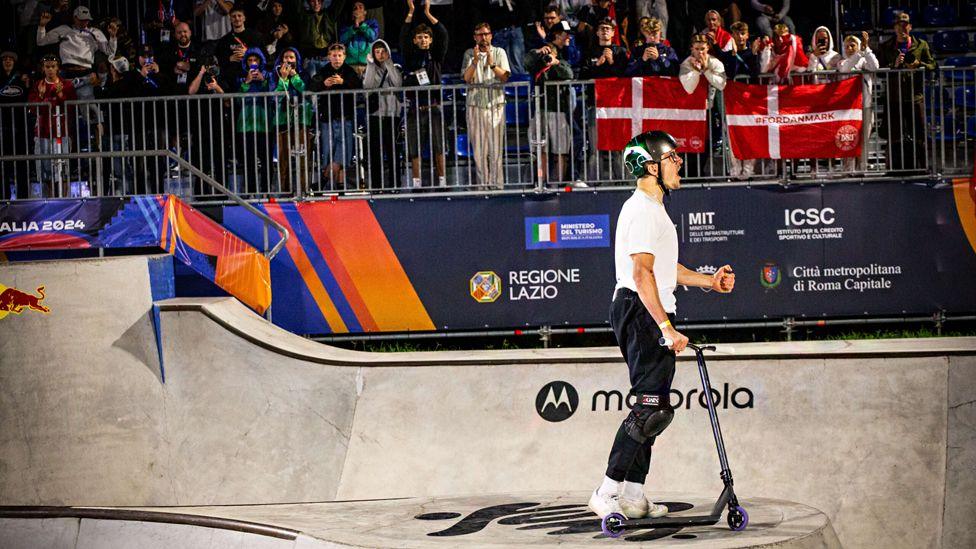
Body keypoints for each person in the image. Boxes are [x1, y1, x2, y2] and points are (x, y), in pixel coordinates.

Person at [588, 129, 735, 521]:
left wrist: (708, 280)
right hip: (640, 310)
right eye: (673, 158)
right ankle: (607, 491)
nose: (679, 163)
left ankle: (634, 495)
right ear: (651, 166)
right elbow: (642, 275)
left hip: (647, 308)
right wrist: (666, 327)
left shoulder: (655, 211)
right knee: (647, 407)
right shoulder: (640, 209)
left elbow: (666, 270)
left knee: (656, 408)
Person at [401, 0, 449, 188]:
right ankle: (416, 181)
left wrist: (428, 13)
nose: (423, 40)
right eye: (419, 37)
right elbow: (403, 35)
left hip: (434, 107)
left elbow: (443, 34)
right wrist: (411, 12)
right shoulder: (410, 56)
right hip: (415, 108)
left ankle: (443, 180)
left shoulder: (436, 55)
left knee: (439, 146)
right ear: (415, 40)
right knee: (415, 147)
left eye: (426, 37)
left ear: (430, 40)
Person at [462, 22, 511, 190]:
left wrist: (491, 64)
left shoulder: (499, 52)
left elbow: (505, 77)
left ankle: (497, 185)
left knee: (495, 149)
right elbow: (467, 78)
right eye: (479, 34)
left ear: (491, 35)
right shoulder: (469, 53)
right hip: (475, 106)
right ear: (475, 37)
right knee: (479, 150)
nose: (483, 38)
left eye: (486, 34)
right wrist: (475, 62)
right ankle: (483, 186)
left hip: (495, 105)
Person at [525, 25, 573, 183]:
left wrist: (555, 62)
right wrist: (539, 52)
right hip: (540, 110)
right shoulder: (539, 58)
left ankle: (558, 184)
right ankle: (541, 183)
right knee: (541, 151)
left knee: (561, 150)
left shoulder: (563, 58)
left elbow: (569, 74)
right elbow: (527, 62)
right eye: (566, 35)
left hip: (559, 109)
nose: (549, 56)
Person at [313, 42, 361, 188]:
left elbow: (358, 87)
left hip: (345, 118)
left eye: (340, 56)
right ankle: (335, 185)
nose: (337, 59)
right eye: (334, 56)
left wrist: (343, 82)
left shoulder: (350, 71)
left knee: (342, 153)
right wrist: (323, 84)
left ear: (344, 57)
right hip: (327, 119)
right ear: (329, 57)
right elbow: (311, 86)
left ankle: (322, 181)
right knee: (328, 152)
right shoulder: (323, 71)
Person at [29, 54, 77, 197]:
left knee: (63, 169)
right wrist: (41, 97)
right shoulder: (37, 85)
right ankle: (49, 201)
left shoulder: (67, 85)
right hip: (42, 133)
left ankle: (64, 201)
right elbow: (32, 109)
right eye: (47, 67)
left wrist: (61, 95)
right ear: (43, 69)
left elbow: (72, 107)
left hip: (62, 133)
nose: (50, 69)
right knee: (45, 170)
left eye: (53, 67)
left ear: (58, 68)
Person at [270, 46, 312, 194]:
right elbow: (275, 95)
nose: (288, 60)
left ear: (297, 60)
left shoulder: (304, 74)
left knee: (303, 158)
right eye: (286, 57)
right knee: (283, 159)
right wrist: (284, 79)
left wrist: (294, 77)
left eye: (291, 58)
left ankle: (303, 190)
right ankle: (285, 191)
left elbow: (306, 91)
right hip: (282, 120)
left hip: (301, 119)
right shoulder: (275, 75)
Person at [362, 39, 402, 190]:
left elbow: (397, 84)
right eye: (377, 52)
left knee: (393, 152)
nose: (380, 54)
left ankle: (395, 185)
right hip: (375, 115)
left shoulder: (394, 66)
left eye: (383, 51)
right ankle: (377, 186)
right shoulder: (369, 68)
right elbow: (368, 87)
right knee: (375, 154)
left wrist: (388, 62)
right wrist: (371, 65)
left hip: (392, 115)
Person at [838, 31, 878, 173]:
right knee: (848, 137)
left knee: (864, 138)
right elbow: (845, 69)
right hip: (848, 108)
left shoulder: (864, 60)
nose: (849, 49)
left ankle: (862, 168)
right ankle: (848, 169)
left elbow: (875, 66)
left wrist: (866, 49)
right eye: (847, 46)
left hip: (865, 105)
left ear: (859, 45)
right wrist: (859, 53)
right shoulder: (842, 61)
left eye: (852, 45)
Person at [339, 1, 379, 76]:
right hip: (350, 66)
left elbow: (372, 37)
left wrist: (361, 25)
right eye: (355, 8)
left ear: (365, 12)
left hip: (367, 65)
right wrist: (353, 28)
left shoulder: (372, 23)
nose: (357, 9)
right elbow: (342, 40)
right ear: (352, 12)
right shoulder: (347, 26)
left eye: (360, 7)